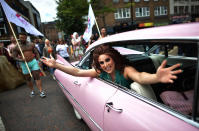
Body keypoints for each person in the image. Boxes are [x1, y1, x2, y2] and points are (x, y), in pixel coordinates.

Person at [41, 45, 182, 89]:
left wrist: (156, 77)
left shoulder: (126, 70)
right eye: (101, 63)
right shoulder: (99, 71)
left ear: (113, 58)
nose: (105, 65)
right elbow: (77, 71)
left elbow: (140, 77)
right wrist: (56, 65)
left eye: (107, 60)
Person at [12, 32, 46, 98]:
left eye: (23, 37)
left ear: (26, 37)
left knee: (37, 76)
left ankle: (41, 91)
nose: (22, 39)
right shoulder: (17, 46)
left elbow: (36, 52)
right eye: (20, 37)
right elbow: (14, 57)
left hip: (33, 62)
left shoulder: (31, 44)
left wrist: (38, 60)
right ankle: (32, 91)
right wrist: (21, 60)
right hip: (24, 64)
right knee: (28, 78)